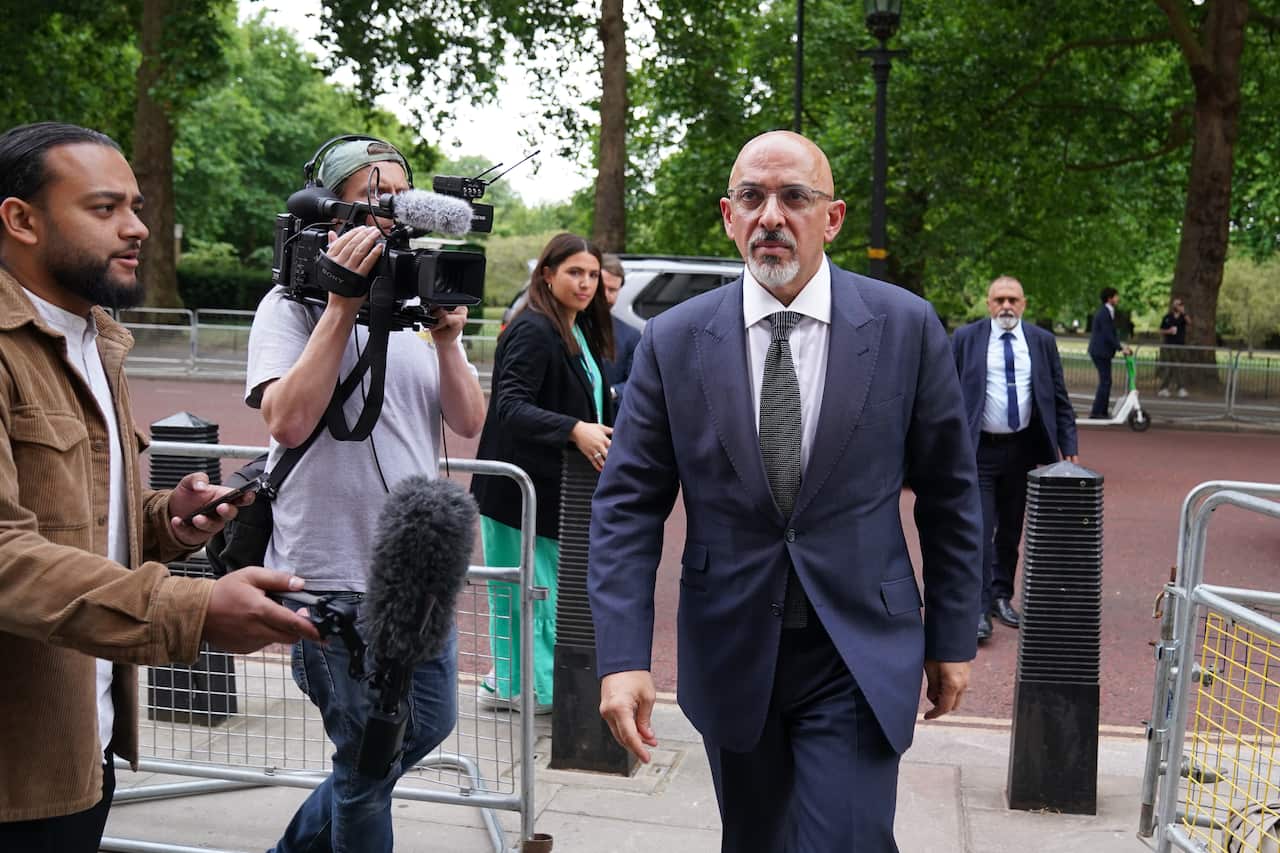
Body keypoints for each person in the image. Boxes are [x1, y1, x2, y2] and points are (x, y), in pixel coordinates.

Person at [588, 131, 982, 852]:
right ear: (728, 216)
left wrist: (953, 634)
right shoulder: (673, 340)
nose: (771, 215)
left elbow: (951, 494)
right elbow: (627, 507)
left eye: (794, 196)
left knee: (848, 840)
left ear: (831, 218)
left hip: (859, 647)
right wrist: (621, 657)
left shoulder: (905, 326)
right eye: (752, 197)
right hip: (732, 648)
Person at [0, 121, 320, 853]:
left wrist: (163, 521)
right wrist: (193, 609)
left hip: (84, 744)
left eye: (136, 207)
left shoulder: (96, 338)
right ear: (21, 219)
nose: (138, 227)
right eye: (104, 207)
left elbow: (74, 517)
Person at [244, 135, 486, 853]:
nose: (394, 215)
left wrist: (448, 341)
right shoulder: (289, 305)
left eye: (403, 200)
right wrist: (342, 306)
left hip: (414, 574)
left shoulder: (417, 305)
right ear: (328, 210)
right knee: (366, 761)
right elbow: (287, 421)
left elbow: (469, 420)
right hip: (328, 573)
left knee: (424, 725)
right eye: (375, 198)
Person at [472, 232, 615, 714]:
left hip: (556, 493)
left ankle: (528, 685)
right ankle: (519, 688)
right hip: (518, 494)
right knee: (521, 595)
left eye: (592, 274)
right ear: (547, 275)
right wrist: (574, 429)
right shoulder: (533, 329)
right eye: (575, 272)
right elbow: (510, 406)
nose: (586, 283)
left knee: (547, 594)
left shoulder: (576, 329)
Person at [952, 276, 1079, 644]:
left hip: (1022, 450)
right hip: (979, 451)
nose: (1006, 306)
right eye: (999, 300)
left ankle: (1000, 596)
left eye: (1013, 300)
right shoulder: (966, 338)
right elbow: (944, 391)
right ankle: (978, 609)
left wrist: (1068, 444)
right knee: (979, 530)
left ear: (1023, 304)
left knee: (1010, 530)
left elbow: (1058, 396)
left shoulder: (1041, 341)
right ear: (988, 304)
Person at [599, 253, 640, 405]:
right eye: (601, 288)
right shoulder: (568, 328)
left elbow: (636, 383)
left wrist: (611, 393)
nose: (605, 296)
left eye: (612, 290)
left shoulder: (631, 337)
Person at [1087, 286, 1131, 418]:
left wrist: (1121, 345)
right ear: (1109, 298)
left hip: (1102, 351)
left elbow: (1111, 334)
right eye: (1116, 296)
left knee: (1106, 381)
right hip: (1100, 351)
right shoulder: (1104, 313)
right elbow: (1107, 334)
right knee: (1105, 381)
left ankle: (1102, 411)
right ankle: (1097, 412)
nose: (1118, 299)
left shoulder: (1107, 312)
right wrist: (1121, 348)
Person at [1158, 296, 1190, 397]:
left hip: (1180, 345)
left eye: (1181, 304)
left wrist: (1184, 313)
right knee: (1172, 366)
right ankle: (1173, 388)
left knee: (1177, 366)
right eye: (1178, 304)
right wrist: (1168, 331)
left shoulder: (1183, 317)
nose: (1180, 306)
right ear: (1174, 306)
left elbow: (1190, 322)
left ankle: (1172, 388)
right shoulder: (1167, 317)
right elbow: (1161, 330)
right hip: (1169, 345)